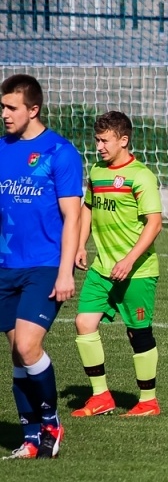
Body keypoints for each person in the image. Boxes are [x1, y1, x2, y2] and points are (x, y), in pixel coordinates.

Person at [0, 74, 83, 459]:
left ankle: (51, 422)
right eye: (2, 107)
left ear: (33, 109)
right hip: (5, 267)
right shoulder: (1, 149)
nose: (4, 114)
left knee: (31, 346)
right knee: (17, 352)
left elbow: (73, 216)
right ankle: (31, 438)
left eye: (11, 107)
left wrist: (65, 271)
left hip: (46, 266)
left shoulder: (60, 153)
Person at [70, 111, 164, 418]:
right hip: (102, 268)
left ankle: (148, 400)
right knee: (84, 323)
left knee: (138, 332)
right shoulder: (97, 172)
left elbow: (154, 223)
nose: (98, 146)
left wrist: (129, 259)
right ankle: (101, 396)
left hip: (137, 271)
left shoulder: (141, 176)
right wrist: (81, 244)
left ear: (123, 140)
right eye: (97, 140)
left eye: (104, 140)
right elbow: (88, 208)